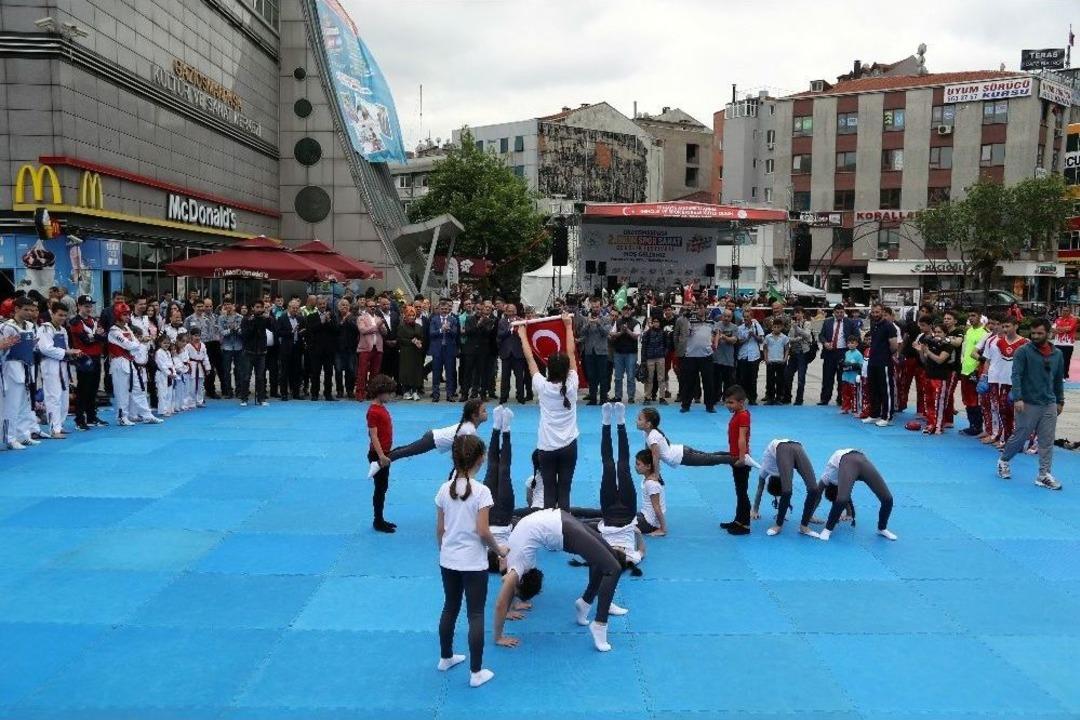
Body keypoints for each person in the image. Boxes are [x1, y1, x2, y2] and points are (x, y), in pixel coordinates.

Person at [492, 508, 627, 652]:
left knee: (610, 562)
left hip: (561, 525)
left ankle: (586, 603)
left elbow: (501, 602)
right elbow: (507, 585)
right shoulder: (520, 565)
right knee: (611, 566)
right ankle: (599, 623)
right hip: (560, 522)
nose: (511, 590)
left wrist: (498, 636)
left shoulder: (517, 568)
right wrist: (511, 608)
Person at [434, 434, 504, 688]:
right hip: (473, 563)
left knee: (450, 606)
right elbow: (484, 532)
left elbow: (440, 530)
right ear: (480, 459)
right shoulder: (481, 492)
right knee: (475, 613)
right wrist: (499, 551)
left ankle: (446, 657)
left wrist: (445, 552)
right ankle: (476, 672)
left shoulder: (444, 489)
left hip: (448, 560)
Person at [996, 318, 1066, 490]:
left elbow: (1058, 379)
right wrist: (1018, 397)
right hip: (1027, 402)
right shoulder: (1022, 352)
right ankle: (1004, 460)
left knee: (1047, 440)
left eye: (1040, 333)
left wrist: (1060, 400)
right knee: (1021, 436)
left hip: (1049, 402)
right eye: (1033, 333)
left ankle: (1044, 475)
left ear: (1048, 333)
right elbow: (1016, 375)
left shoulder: (1057, 354)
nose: (1035, 336)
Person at [518, 314, 579, 509]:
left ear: (549, 369)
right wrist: (568, 326)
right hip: (569, 445)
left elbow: (530, 359)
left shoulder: (542, 386)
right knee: (565, 490)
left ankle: (549, 527)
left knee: (549, 491)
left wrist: (522, 335)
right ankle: (565, 527)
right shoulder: (572, 384)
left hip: (547, 447)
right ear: (566, 369)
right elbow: (571, 352)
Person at [371, 399, 487, 476]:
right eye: (484, 411)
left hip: (432, 437)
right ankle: (378, 463)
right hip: (432, 439)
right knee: (407, 451)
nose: (486, 413)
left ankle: (383, 459)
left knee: (407, 449)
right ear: (474, 415)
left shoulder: (469, 427)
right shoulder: (469, 430)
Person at [816, 449, 898, 542]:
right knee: (842, 499)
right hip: (856, 460)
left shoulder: (828, 477)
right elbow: (844, 499)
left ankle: (882, 528)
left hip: (853, 459)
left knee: (887, 498)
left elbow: (817, 493)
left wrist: (808, 516)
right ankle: (828, 529)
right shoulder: (842, 483)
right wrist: (849, 514)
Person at [750, 439, 821, 537]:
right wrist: (755, 510)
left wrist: (755, 509)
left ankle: (789, 526)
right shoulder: (785, 473)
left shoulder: (765, 469)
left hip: (782, 446)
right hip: (797, 446)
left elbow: (760, 488)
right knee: (811, 489)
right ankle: (799, 526)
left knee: (805, 489)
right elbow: (764, 489)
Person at [636, 406, 735, 474]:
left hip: (682, 455)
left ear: (648, 424)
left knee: (709, 459)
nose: (636, 421)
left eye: (640, 419)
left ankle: (737, 458)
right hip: (681, 450)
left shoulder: (652, 436)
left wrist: (655, 475)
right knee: (710, 456)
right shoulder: (648, 433)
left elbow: (655, 457)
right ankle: (733, 454)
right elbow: (648, 453)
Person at [37, 303, 81, 439]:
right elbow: (45, 349)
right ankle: (53, 429)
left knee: (63, 398)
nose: (62, 318)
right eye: (59, 315)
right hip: (50, 366)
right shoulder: (45, 328)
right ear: (52, 313)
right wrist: (67, 352)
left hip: (63, 366)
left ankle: (59, 425)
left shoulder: (62, 329)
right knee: (53, 397)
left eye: (64, 315)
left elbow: (66, 348)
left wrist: (73, 354)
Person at [2, 298, 41, 449]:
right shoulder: (7, 326)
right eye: (26, 309)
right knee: (11, 405)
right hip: (12, 367)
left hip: (27, 366)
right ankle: (9, 438)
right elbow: (4, 348)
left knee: (25, 404)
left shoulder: (30, 326)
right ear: (16, 309)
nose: (30, 313)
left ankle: (23, 435)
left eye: (32, 310)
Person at [67, 295, 107, 430]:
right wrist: (97, 336)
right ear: (79, 306)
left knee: (94, 389)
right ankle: (79, 419)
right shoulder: (75, 322)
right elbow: (85, 340)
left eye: (90, 306)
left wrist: (96, 336)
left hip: (96, 357)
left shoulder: (93, 320)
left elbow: (103, 337)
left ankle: (91, 417)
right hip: (83, 359)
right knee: (83, 390)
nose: (89, 309)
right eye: (86, 306)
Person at [986, 316, 1027, 448]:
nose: (1005, 329)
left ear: (1016, 326)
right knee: (1004, 411)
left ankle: (1019, 442)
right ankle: (1006, 439)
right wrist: (985, 376)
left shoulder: (1025, 343)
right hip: (1003, 380)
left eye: (1008, 326)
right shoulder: (999, 342)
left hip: (1017, 382)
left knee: (1018, 413)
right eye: (1003, 326)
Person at [366, 374, 398, 532]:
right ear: (380, 392)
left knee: (382, 487)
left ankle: (380, 518)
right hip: (379, 455)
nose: (390, 396)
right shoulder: (373, 411)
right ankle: (378, 520)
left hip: (385, 452)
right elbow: (373, 436)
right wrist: (381, 456)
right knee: (380, 487)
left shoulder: (381, 408)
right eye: (389, 393)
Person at [720, 385, 752, 536]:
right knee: (739, 491)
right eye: (726, 402)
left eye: (731, 403)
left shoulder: (743, 415)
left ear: (741, 402)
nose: (728, 405)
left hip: (741, 459)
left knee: (742, 492)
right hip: (735, 457)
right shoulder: (737, 414)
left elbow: (742, 438)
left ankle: (745, 524)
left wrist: (741, 458)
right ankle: (738, 520)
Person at [864, 303, 899, 427]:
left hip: (884, 362)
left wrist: (884, 355)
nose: (875, 314)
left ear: (882, 312)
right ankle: (874, 414)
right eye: (873, 312)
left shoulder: (889, 326)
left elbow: (894, 346)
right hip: (873, 361)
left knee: (886, 390)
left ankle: (887, 416)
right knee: (873, 389)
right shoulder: (874, 325)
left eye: (877, 312)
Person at [679, 302, 717, 413]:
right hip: (691, 355)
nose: (700, 310)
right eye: (698, 308)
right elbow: (685, 333)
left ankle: (710, 406)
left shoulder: (711, 322)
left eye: (702, 307)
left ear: (706, 309)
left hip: (706, 355)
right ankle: (685, 405)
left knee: (708, 382)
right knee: (689, 382)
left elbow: (715, 334)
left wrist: (715, 344)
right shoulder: (689, 321)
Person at [818, 303, 857, 406]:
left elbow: (856, 336)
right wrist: (825, 343)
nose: (840, 314)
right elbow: (821, 335)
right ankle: (824, 399)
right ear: (834, 312)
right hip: (829, 353)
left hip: (844, 352)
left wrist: (851, 345)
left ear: (844, 312)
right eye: (837, 312)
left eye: (841, 312)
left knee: (842, 377)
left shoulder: (850, 323)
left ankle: (841, 399)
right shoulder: (827, 322)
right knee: (827, 377)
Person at [957, 311, 988, 436]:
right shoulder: (969, 331)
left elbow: (984, 354)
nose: (971, 318)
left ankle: (977, 426)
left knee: (975, 401)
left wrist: (977, 370)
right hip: (965, 370)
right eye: (969, 316)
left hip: (975, 371)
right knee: (967, 400)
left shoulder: (984, 333)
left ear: (980, 317)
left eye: (974, 315)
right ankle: (971, 425)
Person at [579, 297, 612, 405]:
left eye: (597, 307)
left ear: (601, 307)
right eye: (593, 307)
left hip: (602, 351)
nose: (595, 309)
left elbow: (606, 333)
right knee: (591, 376)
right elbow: (582, 333)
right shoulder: (586, 318)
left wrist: (598, 324)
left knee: (603, 376)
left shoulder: (606, 318)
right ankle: (592, 398)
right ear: (590, 307)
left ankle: (603, 399)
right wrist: (588, 324)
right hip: (589, 351)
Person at [304, 297, 337, 402]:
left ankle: (328, 394)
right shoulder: (311, 316)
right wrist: (321, 322)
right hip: (315, 349)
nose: (323, 306)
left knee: (329, 372)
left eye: (324, 304)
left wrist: (329, 321)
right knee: (315, 373)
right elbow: (310, 330)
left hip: (329, 350)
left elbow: (336, 330)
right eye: (320, 304)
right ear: (317, 305)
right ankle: (314, 393)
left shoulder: (332, 316)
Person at [240, 301, 272, 407]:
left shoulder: (264, 319)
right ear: (253, 308)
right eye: (257, 307)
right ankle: (244, 398)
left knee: (260, 377)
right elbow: (245, 335)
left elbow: (274, 328)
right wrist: (253, 322)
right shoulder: (246, 319)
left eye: (261, 307)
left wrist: (269, 318)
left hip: (261, 351)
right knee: (246, 376)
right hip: (248, 351)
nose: (259, 309)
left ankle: (261, 398)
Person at [462, 302, 496, 400]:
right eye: (477, 309)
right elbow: (467, 332)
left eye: (481, 309)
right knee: (468, 373)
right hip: (470, 350)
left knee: (482, 373)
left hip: (483, 351)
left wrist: (482, 324)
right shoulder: (469, 319)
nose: (479, 311)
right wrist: (478, 325)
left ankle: (482, 394)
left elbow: (488, 333)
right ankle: (464, 394)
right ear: (474, 309)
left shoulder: (488, 320)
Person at [429, 299, 459, 402]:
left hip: (449, 350)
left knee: (449, 373)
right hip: (437, 350)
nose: (444, 310)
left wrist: (449, 329)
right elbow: (431, 333)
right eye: (442, 309)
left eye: (446, 309)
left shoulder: (453, 320)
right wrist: (441, 329)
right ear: (439, 309)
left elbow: (455, 334)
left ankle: (449, 395)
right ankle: (435, 395)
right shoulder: (434, 319)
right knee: (436, 373)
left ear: (449, 309)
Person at [355, 299, 386, 401]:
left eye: (374, 306)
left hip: (377, 348)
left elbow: (384, 332)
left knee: (375, 373)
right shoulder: (361, 318)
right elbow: (363, 330)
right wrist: (377, 326)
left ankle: (371, 393)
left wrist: (381, 326)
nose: (373, 308)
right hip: (365, 348)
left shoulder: (379, 318)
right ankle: (360, 392)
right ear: (366, 307)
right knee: (362, 372)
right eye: (370, 306)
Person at [609, 305, 640, 404]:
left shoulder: (636, 322)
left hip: (631, 353)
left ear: (631, 311)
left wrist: (627, 330)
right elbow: (612, 334)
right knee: (618, 376)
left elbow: (636, 336)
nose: (626, 312)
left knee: (631, 376)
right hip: (618, 353)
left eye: (628, 310)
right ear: (622, 311)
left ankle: (631, 396)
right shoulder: (617, 322)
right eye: (624, 310)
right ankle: (618, 396)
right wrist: (621, 332)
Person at [497, 303, 527, 405]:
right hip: (506, 353)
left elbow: (524, 335)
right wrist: (509, 329)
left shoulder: (521, 321)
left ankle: (520, 397)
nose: (511, 313)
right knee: (505, 377)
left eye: (513, 311)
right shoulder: (502, 321)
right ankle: (504, 397)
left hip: (518, 353)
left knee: (519, 377)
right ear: (506, 312)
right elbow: (500, 335)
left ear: (516, 311)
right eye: (509, 311)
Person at [275, 299, 304, 401]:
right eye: (293, 308)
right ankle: (284, 393)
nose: (295, 310)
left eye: (297, 308)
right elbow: (278, 332)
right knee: (284, 371)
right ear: (288, 308)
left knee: (296, 371)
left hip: (297, 348)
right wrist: (291, 332)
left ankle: (296, 393)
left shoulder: (300, 318)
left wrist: (301, 332)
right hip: (286, 348)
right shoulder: (282, 318)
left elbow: (302, 331)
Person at [783, 307, 812, 405]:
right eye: (796, 313)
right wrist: (797, 338)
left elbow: (807, 335)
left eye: (799, 313)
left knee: (801, 377)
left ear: (803, 313)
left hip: (803, 353)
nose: (797, 315)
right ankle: (787, 397)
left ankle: (799, 399)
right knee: (787, 375)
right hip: (794, 352)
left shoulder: (807, 323)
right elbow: (789, 338)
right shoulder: (793, 324)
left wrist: (797, 329)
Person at [735, 313, 764, 405]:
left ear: (751, 317)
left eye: (748, 317)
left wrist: (754, 335)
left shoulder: (757, 326)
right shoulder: (740, 328)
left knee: (753, 378)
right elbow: (738, 342)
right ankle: (742, 398)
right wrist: (747, 338)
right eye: (745, 317)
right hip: (743, 356)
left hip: (754, 356)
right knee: (742, 378)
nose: (746, 318)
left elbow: (761, 340)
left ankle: (752, 398)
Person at [397, 306, 425, 400]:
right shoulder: (401, 326)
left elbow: (422, 337)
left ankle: (415, 391)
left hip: (416, 352)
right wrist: (411, 341)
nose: (412, 317)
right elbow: (400, 339)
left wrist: (419, 342)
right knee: (406, 371)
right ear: (405, 316)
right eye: (410, 315)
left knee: (416, 371)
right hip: (406, 352)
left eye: (413, 315)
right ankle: (406, 391)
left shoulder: (419, 326)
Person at [711, 308, 738, 405]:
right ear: (722, 316)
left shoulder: (734, 327)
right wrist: (716, 336)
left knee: (728, 382)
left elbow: (734, 340)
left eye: (729, 316)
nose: (726, 318)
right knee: (716, 381)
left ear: (731, 317)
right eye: (725, 316)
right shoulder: (716, 325)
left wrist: (724, 337)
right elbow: (712, 339)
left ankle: (727, 399)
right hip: (717, 359)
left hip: (728, 359)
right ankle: (715, 398)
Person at [217, 299, 243, 399]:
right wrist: (230, 330)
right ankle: (228, 391)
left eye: (229, 304)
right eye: (226, 305)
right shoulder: (221, 318)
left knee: (239, 370)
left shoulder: (240, 317)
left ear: (233, 305)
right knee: (226, 370)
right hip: (226, 347)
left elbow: (242, 332)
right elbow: (221, 332)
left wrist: (237, 329)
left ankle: (239, 390)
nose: (228, 306)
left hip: (238, 346)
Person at [639, 314, 668, 404]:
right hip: (649, 358)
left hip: (660, 357)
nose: (655, 323)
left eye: (657, 322)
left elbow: (667, 344)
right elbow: (643, 346)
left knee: (661, 378)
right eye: (654, 322)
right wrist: (643, 359)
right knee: (649, 378)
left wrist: (664, 354)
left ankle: (662, 397)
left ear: (660, 323)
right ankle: (647, 397)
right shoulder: (647, 333)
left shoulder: (663, 333)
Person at [762, 319, 790, 405]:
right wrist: (766, 358)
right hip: (770, 361)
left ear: (781, 327)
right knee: (770, 381)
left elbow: (787, 349)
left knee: (780, 381)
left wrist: (785, 359)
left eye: (778, 327)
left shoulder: (784, 337)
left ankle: (778, 398)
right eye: (774, 327)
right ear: (772, 327)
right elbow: (765, 348)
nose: (776, 329)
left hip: (780, 361)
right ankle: (770, 398)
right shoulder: (768, 337)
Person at [183, 327, 212, 409]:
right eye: (195, 336)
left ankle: (199, 401)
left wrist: (207, 368)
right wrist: (187, 367)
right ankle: (191, 402)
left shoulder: (202, 345)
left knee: (200, 385)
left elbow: (205, 357)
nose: (197, 338)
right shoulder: (188, 346)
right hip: (192, 365)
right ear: (191, 336)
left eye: (199, 336)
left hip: (200, 366)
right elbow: (186, 357)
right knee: (192, 385)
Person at [840, 335, 863, 415]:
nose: (850, 345)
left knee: (854, 394)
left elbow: (861, 366)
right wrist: (843, 364)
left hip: (853, 378)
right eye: (849, 343)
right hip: (845, 377)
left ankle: (855, 408)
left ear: (856, 344)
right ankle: (845, 408)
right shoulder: (846, 353)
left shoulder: (858, 354)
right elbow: (843, 364)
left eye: (852, 343)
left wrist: (853, 366)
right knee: (845, 393)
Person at [153, 334, 175, 417]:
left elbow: (171, 364)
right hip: (162, 374)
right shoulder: (158, 352)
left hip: (169, 374)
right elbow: (161, 365)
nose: (166, 345)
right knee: (162, 393)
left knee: (169, 392)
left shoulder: (168, 352)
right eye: (164, 343)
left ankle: (168, 409)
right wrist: (169, 373)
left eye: (168, 343)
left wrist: (174, 373)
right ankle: (163, 410)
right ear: (160, 343)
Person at [1051, 305, 1076, 379]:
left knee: (1066, 360)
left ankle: (1065, 376)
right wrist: (1062, 329)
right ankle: (1057, 375)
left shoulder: (1073, 320)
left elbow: (1069, 329)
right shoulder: (1058, 319)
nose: (1064, 312)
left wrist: (1058, 329)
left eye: (1066, 310)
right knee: (1056, 360)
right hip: (1057, 343)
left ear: (1070, 312)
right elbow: (1052, 329)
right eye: (1063, 310)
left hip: (1068, 344)